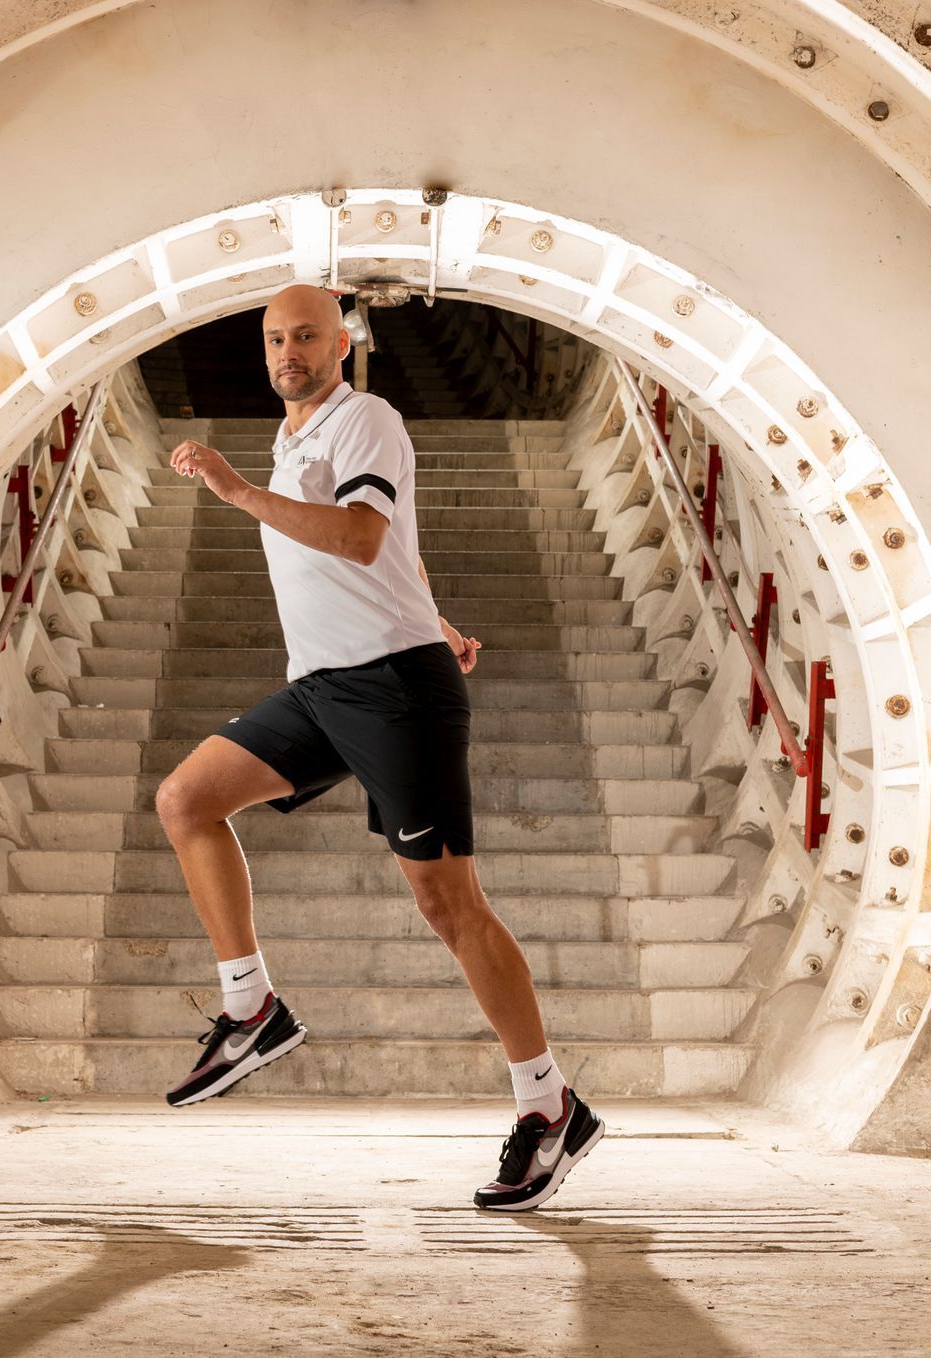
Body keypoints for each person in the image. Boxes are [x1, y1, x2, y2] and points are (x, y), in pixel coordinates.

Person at [152, 284, 604, 1211]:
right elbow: (398, 552)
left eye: (307, 335)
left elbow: (362, 537)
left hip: (395, 690)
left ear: (342, 342)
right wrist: (432, 613)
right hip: (326, 683)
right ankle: (251, 1008)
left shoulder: (366, 420)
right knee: (187, 800)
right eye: (276, 338)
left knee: (451, 908)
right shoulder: (294, 434)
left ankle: (550, 1107)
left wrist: (238, 495)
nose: (289, 351)